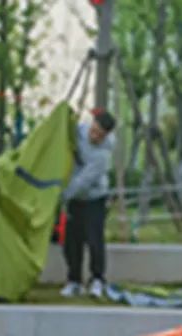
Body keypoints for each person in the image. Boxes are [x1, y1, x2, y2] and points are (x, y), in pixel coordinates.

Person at [62, 109, 117, 299]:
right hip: (75, 201)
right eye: (93, 130)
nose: (93, 136)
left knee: (94, 241)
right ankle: (74, 280)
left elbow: (82, 182)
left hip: (94, 200)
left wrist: (61, 196)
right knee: (72, 241)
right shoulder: (79, 131)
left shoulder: (102, 155)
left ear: (106, 135)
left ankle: (97, 280)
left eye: (99, 134)